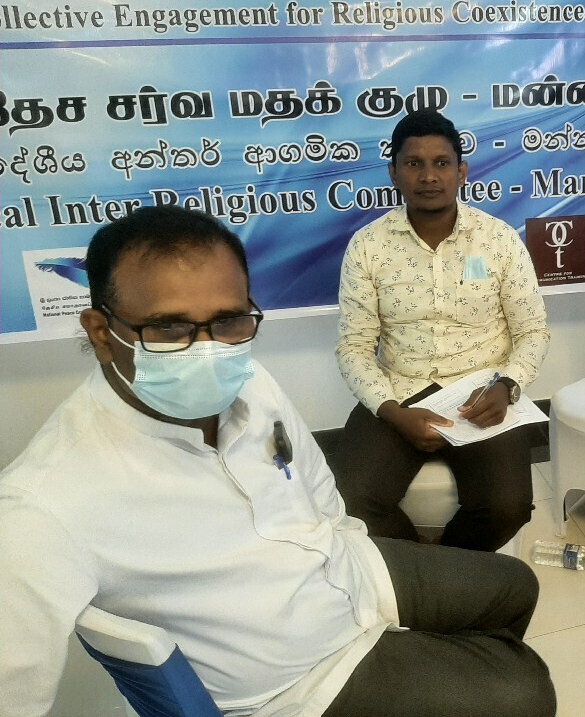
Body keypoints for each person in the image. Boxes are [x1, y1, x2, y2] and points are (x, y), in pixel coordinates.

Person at [0, 206, 556, 717]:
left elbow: (319, 489)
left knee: (513, 585)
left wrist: (355, 562)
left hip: (345, 571)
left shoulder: (250, 382)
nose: (208, 351)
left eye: (229, 320)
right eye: (169, 328)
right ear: (101, 333)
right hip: (296, 679)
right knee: (523, 690)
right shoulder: (45, 505)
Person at [334, 109, 550, 552]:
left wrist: (507, 386)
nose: (429, 176)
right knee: (348, 502)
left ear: (461, 172)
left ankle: (450, 562)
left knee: (507, 507)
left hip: (481, 393)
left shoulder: (498, 240)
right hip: (400, 389)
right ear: (394, 173)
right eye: (414, 163)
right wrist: (393, 412)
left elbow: (533, 331)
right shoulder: (368, 246)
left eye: (441, 163)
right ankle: (419, 562)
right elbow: (354, 346)